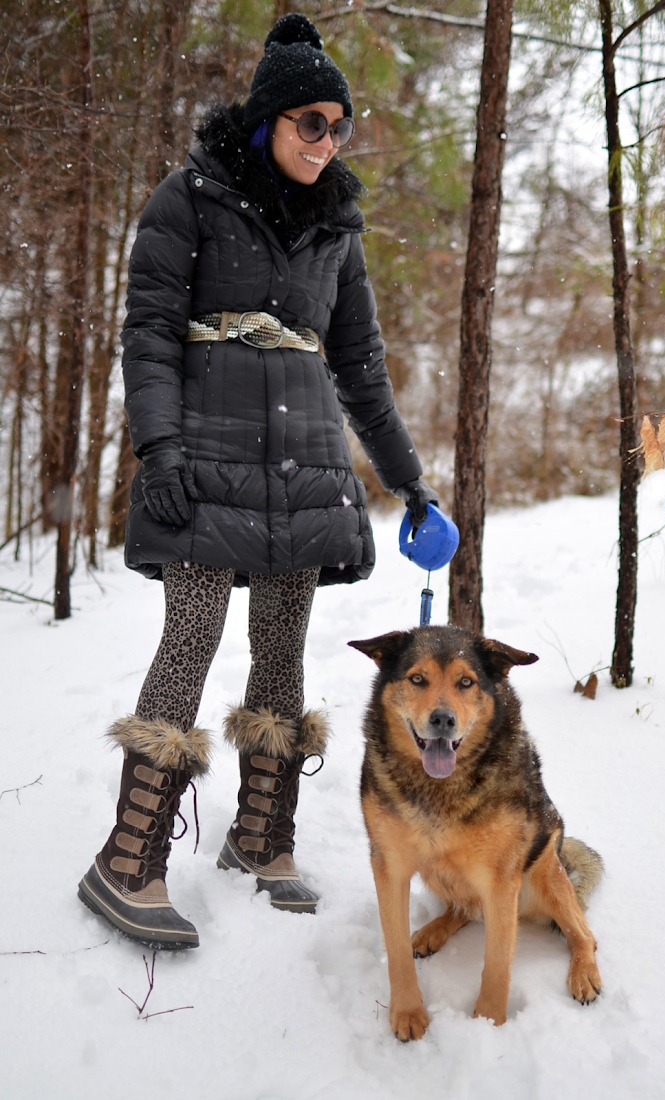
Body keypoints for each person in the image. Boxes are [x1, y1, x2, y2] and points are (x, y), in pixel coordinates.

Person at [78, 12, 438, 949]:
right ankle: (128, 857)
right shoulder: (189, 199)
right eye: (308, 122)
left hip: (307, 463)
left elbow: (360, 364)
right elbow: (148, 332)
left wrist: (410, 484)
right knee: (192, 636)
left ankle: (260, 839)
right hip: (205, 456)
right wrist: (158, 447)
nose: (325, 141)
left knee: (282, 647)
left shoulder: (338, 229)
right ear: (266, 120)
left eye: (338, 124)